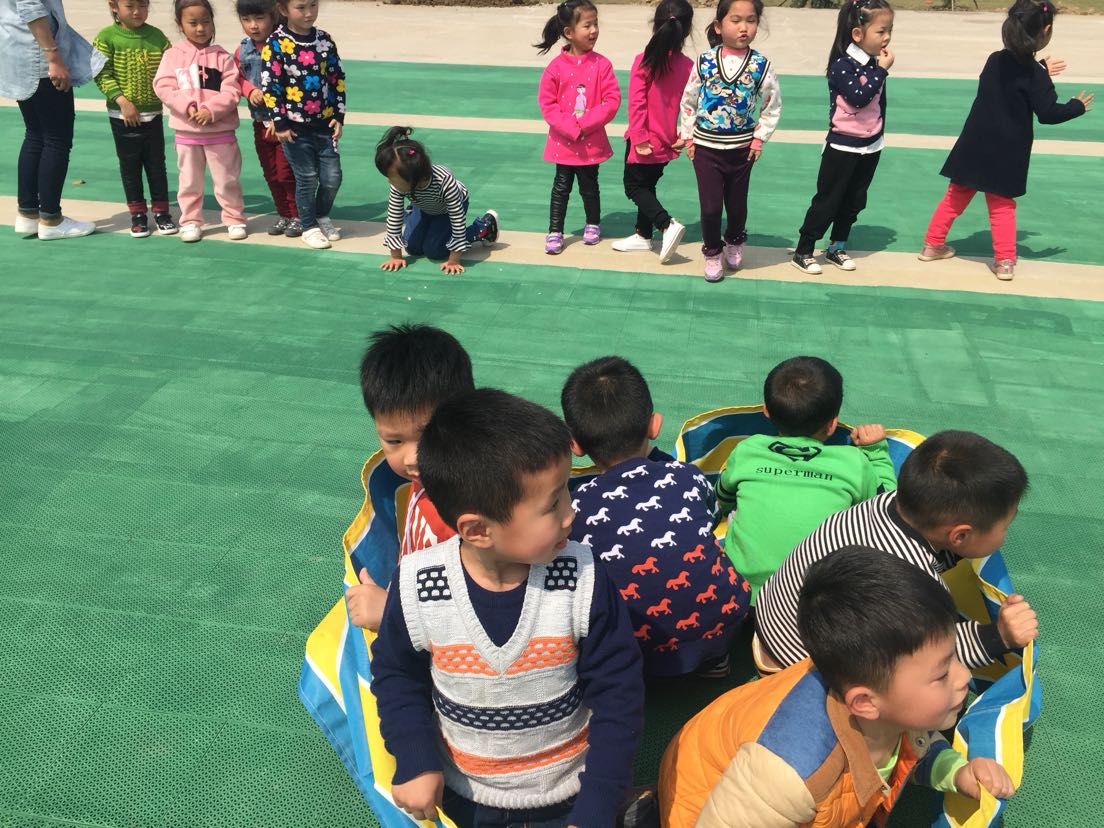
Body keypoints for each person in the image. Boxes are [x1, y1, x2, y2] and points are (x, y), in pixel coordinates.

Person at [370, 389, 644, 827]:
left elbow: (619, 695)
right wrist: (416, 759)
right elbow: (397, 674)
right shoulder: (418, 584)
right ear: (478, 530)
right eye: (552, 504)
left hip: (572, 794)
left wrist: (598, 803)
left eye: (566, 492)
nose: (571, 513)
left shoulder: (584, 579)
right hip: (466, 797)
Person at [658, 547, 1017, 828]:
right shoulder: (791, 773)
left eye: (954, 657)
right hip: (703, 808)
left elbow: (912, 742)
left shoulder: (873, 688)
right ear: (865, 703)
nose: (963, 677)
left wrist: (955, 772)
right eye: (941, 674)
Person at [755, 430, 1039, 674]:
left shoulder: (885, 503)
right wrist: (998, 636)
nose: (1006, 535)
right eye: (1005, 527)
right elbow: (927, 659)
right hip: (799, 672)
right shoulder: (915, 585)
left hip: (772, 622)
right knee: (937, 691)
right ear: (960, 535)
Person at [562, 356, 750, 678]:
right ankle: (713, 658)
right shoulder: (688, 476)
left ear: (575, 445)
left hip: (630, 652)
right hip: (726, 623)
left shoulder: (574, 506)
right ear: (654, 425)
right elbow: (711, 519)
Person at [919, 0, 1091, 281]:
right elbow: (1048, 113)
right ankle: (1004, 262)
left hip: (974, 144)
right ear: (1046, 31)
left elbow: (1012, 79)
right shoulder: (1036, 75)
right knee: (1001, 206)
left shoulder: (994, 60)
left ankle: (932, 244)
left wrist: (1041, 69)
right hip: (1007, 151)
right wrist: (1076, 106)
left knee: (955, 197)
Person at [715, 356, 896, 603]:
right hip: (812, 603)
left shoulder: (748, 450)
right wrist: (876, 451)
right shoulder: (854, 462)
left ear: (766, 411)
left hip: (739, 594)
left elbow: (722, 498)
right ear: (832, 425)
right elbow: (886, 508)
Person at [344, 324, 475, 632]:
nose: (412, 457)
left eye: (428, 435)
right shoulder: (433, 479)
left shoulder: (470, 513)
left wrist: (391, 615)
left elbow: (476, 616)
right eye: (394, 441)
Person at [678, 0, 781, 282]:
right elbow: (689, 100)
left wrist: (759, 139)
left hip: (741, 151)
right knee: (711, 207)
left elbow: (772, 105)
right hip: (706, 149)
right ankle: (712, 252)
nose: (743, 27)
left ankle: (734, 240)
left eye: (751, 20)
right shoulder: (705, 62)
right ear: (718, 26)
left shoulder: (761, 65)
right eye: (735, 20)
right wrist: (688, 137)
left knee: (737, 206)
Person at [791, 0, 894, 276]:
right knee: (828, 200)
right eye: (881, 31)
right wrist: (882, 71)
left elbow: (879, 105)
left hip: (870, 146)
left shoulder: (873, 64)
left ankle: (837, 246)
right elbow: (859, 98)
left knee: (854, 200)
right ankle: (803, 250)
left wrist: (878, 133)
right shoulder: (843, 66)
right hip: (842, 146)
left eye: (889, 31)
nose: (887, 37)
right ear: (857, 34)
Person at [1, 0, 104, 240]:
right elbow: (30, 8)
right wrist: (54, 56)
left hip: (18, 50)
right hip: (38, 56)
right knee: (56, 139)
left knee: (35, 134)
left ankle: (28, 213)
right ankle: (51, 219)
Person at [153, 0, 247, 243]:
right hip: (187, 134)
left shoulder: (223, 57)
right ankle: (191, 221)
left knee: (227, 180)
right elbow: (163, 87)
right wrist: (188, 107)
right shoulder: (172, 55)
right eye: (193, 23)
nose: (200, 28)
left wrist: (210, 110)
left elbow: (232, 91)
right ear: (180, 25)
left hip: (221, 134)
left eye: (206, 22)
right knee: (189, 182)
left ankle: (234, 219)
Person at [610, 0, 694, 265]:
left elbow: (636, 103)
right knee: (647, 185)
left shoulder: (644, 61)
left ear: (655, 26)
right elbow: (693, 105)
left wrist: (639, 137)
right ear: (687, 30)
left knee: (633, 186)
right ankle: (643, 235)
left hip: (644, 140)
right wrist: (685, 135)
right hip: (668, 141)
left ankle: (666, 224)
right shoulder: (688, 66)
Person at [535, 0, 621, 255]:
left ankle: (593, 223)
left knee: (589, 186)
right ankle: (555, 230)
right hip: (564, 144)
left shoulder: (602, 64)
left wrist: (584, 125)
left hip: (590, 143)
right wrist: (571, 128)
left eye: (596, 24)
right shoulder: (555, 68)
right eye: (587, 25)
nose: (594, 30)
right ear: (569, 32)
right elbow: (547, 105)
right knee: (561, 187)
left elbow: (612, 101)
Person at [261, 0, 346, 250]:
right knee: (306, 177)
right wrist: (280, 122)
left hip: (325, 125)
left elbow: (337, 78)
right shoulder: (276, 43)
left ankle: (321, 215)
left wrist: (339, 115)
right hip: (294, 129)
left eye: (313, 5)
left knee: (332, 178)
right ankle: (308, 226)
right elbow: (270, 86)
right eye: (301, 7)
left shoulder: (324, 40)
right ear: (283, 9)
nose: (308, 13)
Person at [93, 0, 175, 239]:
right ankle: (138, 214)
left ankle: (162, 212)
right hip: (122, 117)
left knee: (156, 164)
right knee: (130, 166)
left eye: (143, 5)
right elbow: (101, 73)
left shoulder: (158, 37)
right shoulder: (106, 37)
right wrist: (122, 101)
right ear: (114, 6)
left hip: (153, 115)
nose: (137, 12)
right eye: (130, 6)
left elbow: (170, 71)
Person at [375, 127, 500, 275]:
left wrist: (454, 259)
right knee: (413, 248)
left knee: (435, 251)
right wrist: (396, 256)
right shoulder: (399, 185)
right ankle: (412, 213)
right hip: (423, 206)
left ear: (413, 178)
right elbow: (394, 215)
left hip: (447, 210)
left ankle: (484, 227)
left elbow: (457, 220)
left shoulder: (444, 181)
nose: (389, 181)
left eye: (392, 178)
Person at [235, 0, 300, 237]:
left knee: (286, 173)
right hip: (260, 124)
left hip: (284, 125)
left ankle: (298, 215)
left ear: (273, 16)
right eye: (246, 20)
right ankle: (284, 214)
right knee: (271, 174)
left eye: (259, 18)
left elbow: (293, 83)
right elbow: (237, 76)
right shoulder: (243, 49)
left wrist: (279, 117)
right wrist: (248, 90)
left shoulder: (283, 45)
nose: (253, 25)